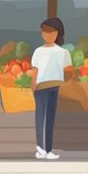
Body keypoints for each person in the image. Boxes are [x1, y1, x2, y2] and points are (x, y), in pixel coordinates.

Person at [29, 18, 70, 160]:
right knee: (41, 117)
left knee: (50, 118)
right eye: (43, 31)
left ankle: (49, 148)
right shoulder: (38, 51)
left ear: (56, 33)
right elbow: (35, 72)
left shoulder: (63, 52)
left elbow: (68, 71)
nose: (44, 34)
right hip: (41, 87)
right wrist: (32, 87)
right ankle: (40, 148)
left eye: (48, 31)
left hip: (55, 87)